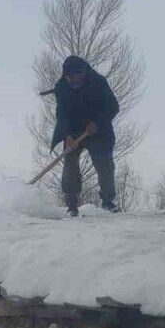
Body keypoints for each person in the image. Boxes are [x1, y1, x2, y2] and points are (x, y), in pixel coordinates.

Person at [50, 55, 120, 216]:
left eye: (76, 76)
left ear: (83, 73)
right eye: (69, 77)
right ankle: (71, 206)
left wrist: (97, 123)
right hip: (73, 130)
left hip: (98, 129)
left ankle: (108, 201)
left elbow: (113, 106)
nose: (72, 80)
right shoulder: (61, 87)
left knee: (104, 164)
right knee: (70, 163)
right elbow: (61, 114)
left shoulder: (98, 82)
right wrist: (67, 135)